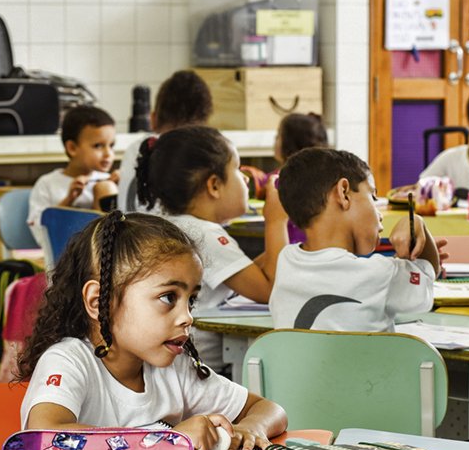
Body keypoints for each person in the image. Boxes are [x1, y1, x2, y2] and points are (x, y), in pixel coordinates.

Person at [16, 211, 287, 450]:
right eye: (168, 297)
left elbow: (270, 410)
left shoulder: (176, 370)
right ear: (99, 301)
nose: (187, 317)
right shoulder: (69, 361)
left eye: (190, 300)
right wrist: (166, 439)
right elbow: (45, 436)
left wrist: (252, 427)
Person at [135, 126, 288, 373]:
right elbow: (271, 288)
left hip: (171, 368)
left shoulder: (175, 225)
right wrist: (276, 221)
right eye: (237, 169)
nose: (246, 179)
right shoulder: (204, 235)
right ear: (214, 185)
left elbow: (249, 273)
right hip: (199, 373)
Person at [269, 147, 443, 331]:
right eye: (373, 197)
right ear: (343, 193)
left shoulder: (286, 261)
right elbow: (428, 275)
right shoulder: (380, 274)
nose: (380, 214)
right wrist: (416, 223)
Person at [28, 105, 119, 256]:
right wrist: (69, 200)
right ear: (72, 148)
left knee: (105, 188)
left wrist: (127, 187)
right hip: (64, 261)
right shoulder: (47, 184)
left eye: (111, 146)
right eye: (98, 146)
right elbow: (42, 234)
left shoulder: (109, 182)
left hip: (105, 259)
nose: (108, 154)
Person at [118, 70, 214, 213]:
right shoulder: (198, 152)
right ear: (204, 126)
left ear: (152, 119)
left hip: (128, 233)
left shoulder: (136, 148)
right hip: (166, 234)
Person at [271, 112, 329, 244]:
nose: (275, 140)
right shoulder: (324, 177)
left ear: (291, 143)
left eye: (278, 136)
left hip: (288, 248)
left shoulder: (280, 180)